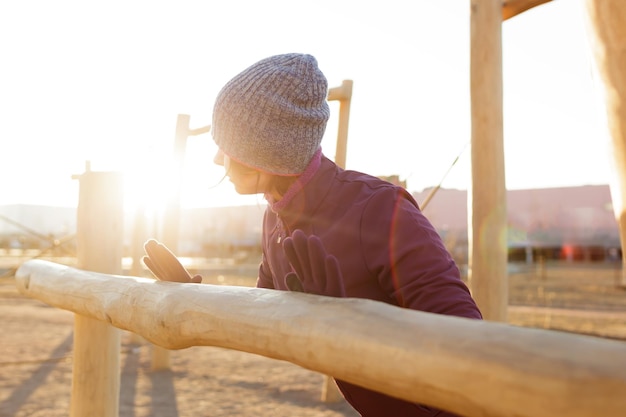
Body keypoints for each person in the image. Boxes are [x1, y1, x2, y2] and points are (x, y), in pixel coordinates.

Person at [144, 53, 482, 417]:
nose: (215, 159)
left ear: (265, 151)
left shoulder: (381, 211)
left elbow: (467, 344)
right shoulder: (275, 216)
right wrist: (197, 301)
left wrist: (349, 325)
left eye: (227, 145)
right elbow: (262, 314)